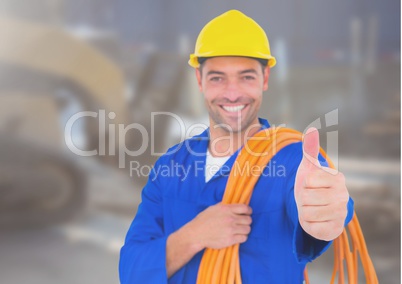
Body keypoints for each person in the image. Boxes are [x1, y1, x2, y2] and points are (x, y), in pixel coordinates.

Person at [119, 9, 353, 283]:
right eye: (218, 77)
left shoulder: (292, 161)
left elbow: (320, 207)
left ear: (264, 79)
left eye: (246, 77)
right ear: (199, 80)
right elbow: (132, 271)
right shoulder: (170, 166)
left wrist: (325, 213)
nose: (232, 93)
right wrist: (194, 235)